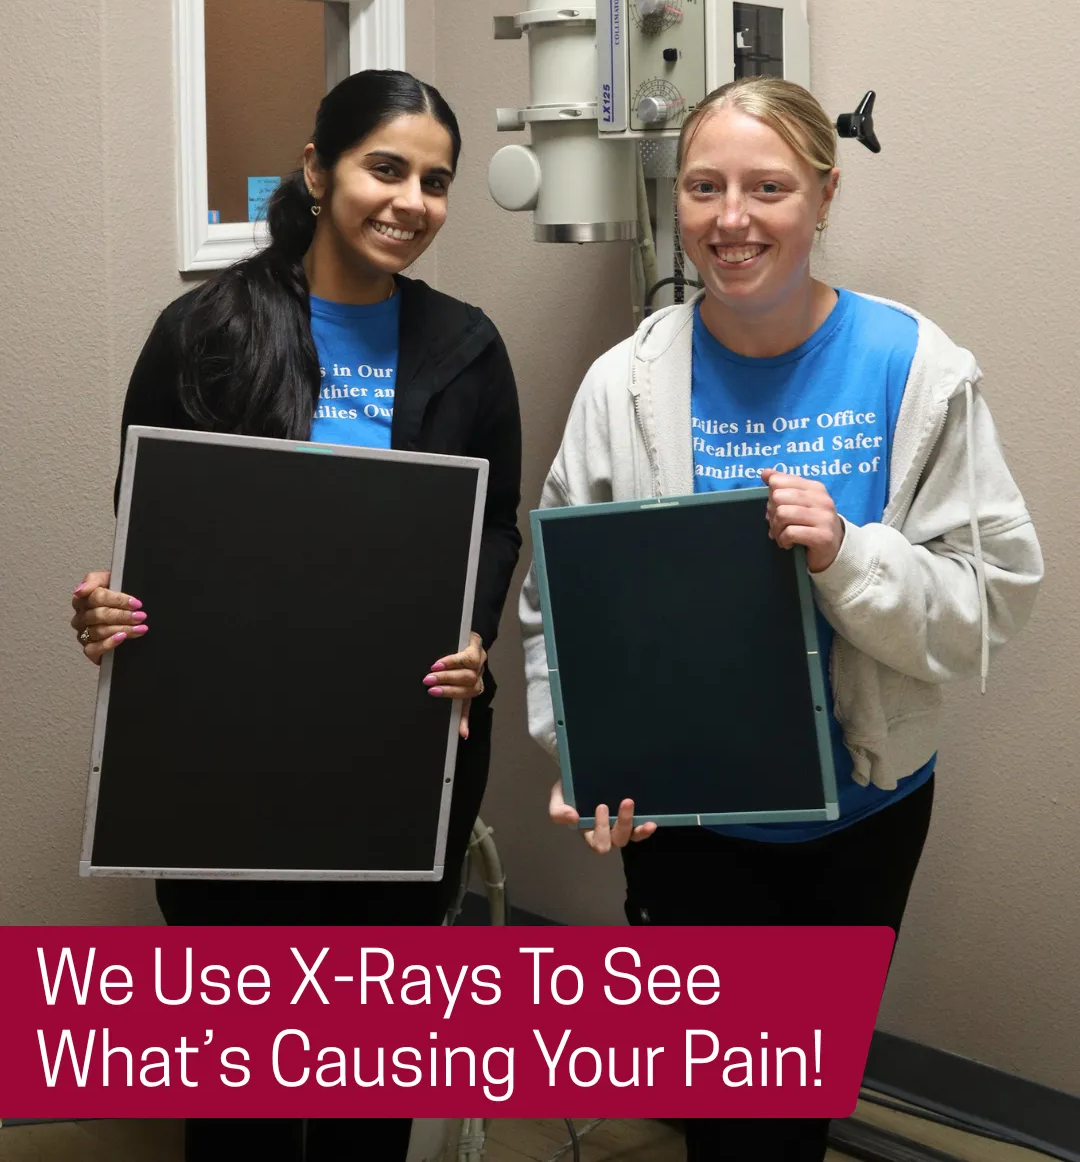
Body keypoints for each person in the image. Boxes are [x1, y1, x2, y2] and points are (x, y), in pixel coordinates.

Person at [519, 76, 1042, 1161]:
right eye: (703, 188)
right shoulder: (624, 386)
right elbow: (556, 608)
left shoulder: (914, 368)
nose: (731, 220)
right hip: (689, 833)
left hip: (864, 821)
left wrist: (849, 556)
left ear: (826, 195)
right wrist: (583, 751)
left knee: (796, 1110)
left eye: (768, 188)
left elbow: (990, 600)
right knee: (725, 1122)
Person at [70, 69, 522, 1162]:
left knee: (371, 1073)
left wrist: (473, 635)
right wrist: (109, 612)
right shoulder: (207, 331)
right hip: (232, 769)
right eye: (385, 169)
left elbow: (495, 527)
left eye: (435, 182)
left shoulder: (467, 349)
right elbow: (151, 526)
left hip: (401, 759)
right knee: (244, 1088)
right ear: (319, 170)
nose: (411, 201)